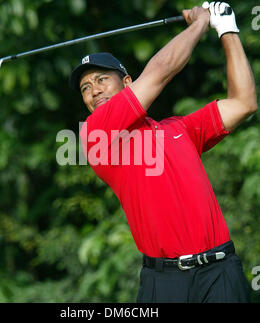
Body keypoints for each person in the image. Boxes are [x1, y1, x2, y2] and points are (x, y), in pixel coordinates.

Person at [69, 2, 257, 302]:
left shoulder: (178, 129)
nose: (93, 91)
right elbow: (160, 70)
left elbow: (244, 102)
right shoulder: (97, 135)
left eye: (102, 79)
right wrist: (199, 24)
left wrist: (227, 29)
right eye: (85, 88)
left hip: (221, 272)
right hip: (165, 281)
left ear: (126, 82)